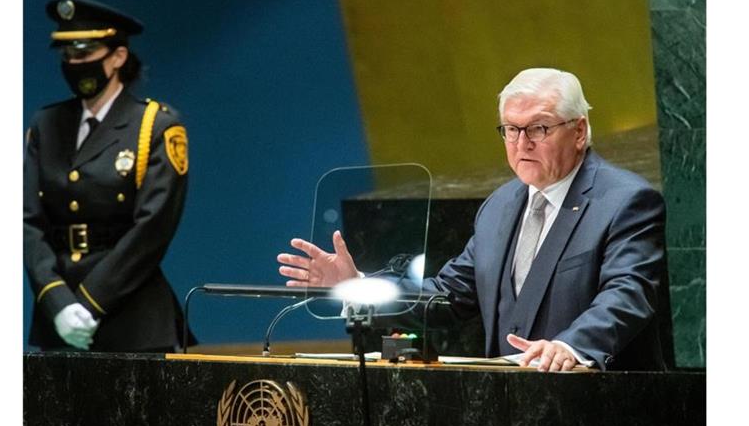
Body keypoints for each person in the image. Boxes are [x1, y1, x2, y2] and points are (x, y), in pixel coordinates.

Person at [277, 68, 669, 372]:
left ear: (579, 131)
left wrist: (571, 346)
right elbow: (447, 296)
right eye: (510, 130)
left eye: (539, 128)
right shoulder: (500, 206)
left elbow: (628, 294)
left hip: (603, 413)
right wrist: (357, 286)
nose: (521, 143)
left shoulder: (625, 201)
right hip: (511, 413)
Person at [24, 0, 191, 352]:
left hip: (131, 315)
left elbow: (152, 229)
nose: (74, 64)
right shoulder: (46, 124)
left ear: (117, 57)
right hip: (58, 317)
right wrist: (57, 302)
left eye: (84, 54)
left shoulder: (154, 125)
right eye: (67, 56)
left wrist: (88, 304)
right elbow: (26, 221)